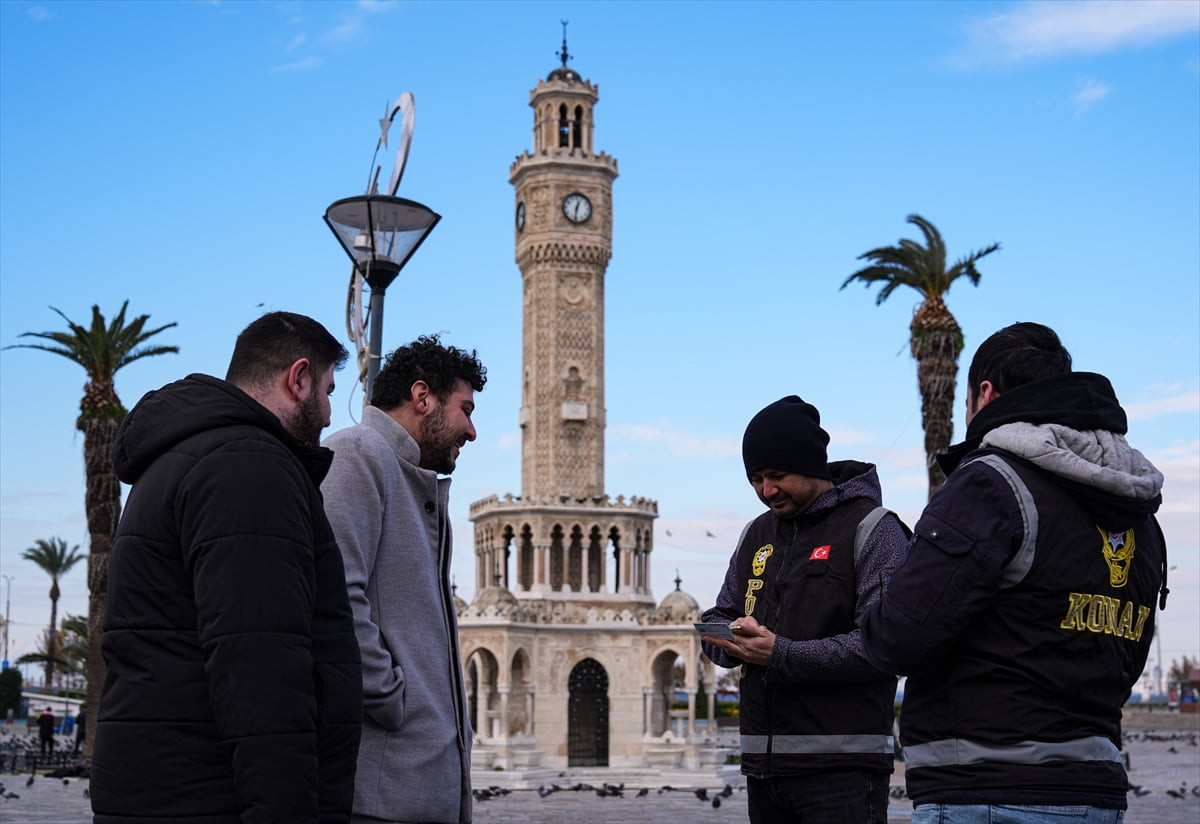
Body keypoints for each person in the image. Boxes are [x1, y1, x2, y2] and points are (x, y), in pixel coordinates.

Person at [860, 322, 1167, 824]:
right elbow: (1125, 650)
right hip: (1097, 792)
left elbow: (900, 636)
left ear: (984, 393)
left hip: (986, 789)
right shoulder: (1139, 514)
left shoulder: (990, 484)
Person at [91, 312, 363, 824]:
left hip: (166, 793)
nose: (330, 414)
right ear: (298, 378)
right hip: (209, 800)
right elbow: (260, 669)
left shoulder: (186, 456)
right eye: (327, 390)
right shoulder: (248, 467)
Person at [700, 395, 909, 824]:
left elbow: (885, 646)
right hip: (762, 770)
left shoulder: (873, 529)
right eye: (755, 479)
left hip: (843, 771)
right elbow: (723, 610)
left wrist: (781, 654)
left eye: (777, 476)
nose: (766, 491)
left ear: (813, 466)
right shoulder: (755, 533)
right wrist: (723, 636)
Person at [321, 335, 486, 824]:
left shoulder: (409, 476)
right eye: (466, 409)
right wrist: (393, 699)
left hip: (414, 791)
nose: (472, 431)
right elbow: (337, 598)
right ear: (422, 397)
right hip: (382, 795)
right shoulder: (356, 458)